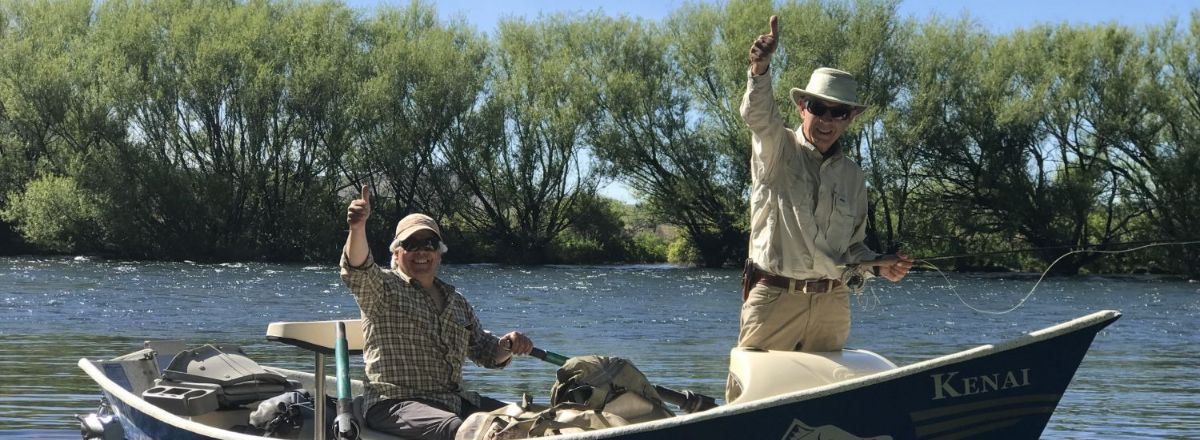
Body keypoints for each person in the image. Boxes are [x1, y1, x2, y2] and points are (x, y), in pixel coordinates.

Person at [736, 15, 914, 356]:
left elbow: (853, 250)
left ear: (851, 118)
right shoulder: (776, 147)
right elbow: (758, 115)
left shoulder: (853, 176)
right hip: (773, 300)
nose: (828, 121)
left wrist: (880, 265)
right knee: (755, 396)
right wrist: (759, 68)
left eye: (839, 113)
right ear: (803, 107)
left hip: (833, 304)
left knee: (825, 400)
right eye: (819, 108)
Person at [341, 186, 533, 440]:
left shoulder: (457, 302)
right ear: (397, 254)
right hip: (394, 403)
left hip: (452, 402)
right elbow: (358, 268)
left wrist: (509, 344)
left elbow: (487, 353)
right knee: (467, 430)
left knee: (531, 421)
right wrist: (357, 228)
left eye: (429, 244)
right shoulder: (381, 289)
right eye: (411, 244)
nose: (421, 251)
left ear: (439, 254)